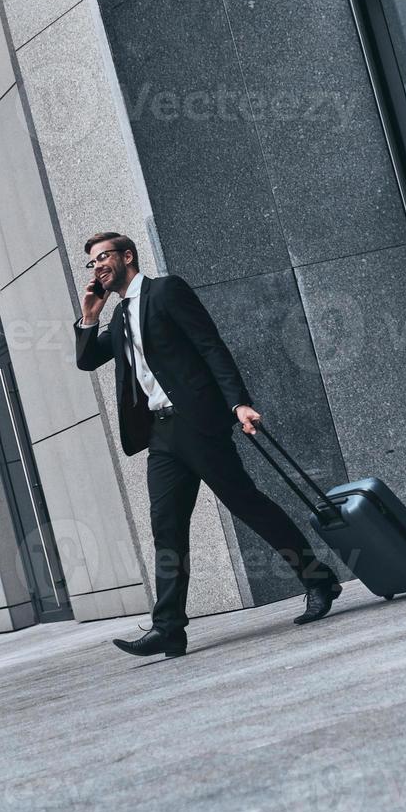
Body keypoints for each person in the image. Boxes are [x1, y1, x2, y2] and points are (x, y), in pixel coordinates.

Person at [75, 232, 341, 658]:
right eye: (91, 263)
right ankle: (168, 629)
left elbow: (210, 345)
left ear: (127, 256)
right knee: (167, 529)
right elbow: (87, 359)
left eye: (103, 257)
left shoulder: (166, 291)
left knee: (248, 505)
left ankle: (317, 580)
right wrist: (89, 316)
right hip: (161, 434)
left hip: (197, 422)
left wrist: (239, 403)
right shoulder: (118, 316)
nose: (98, 267)